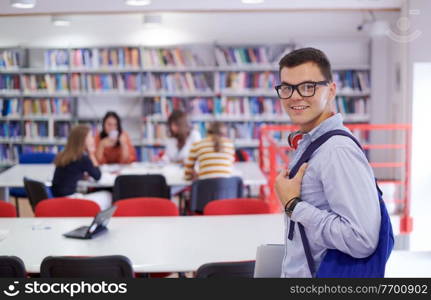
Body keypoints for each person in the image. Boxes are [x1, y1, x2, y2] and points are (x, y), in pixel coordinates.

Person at [274, 47, 380, 277]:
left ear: (331, 90)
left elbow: (362, 239)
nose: (294, 96)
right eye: (286, 88)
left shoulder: (336, 151)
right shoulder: (314, 142)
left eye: (307, 86)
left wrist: (294, 206)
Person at [51, 125, 112, 210]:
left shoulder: (64, 154)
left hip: (58, 199)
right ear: (83, 139)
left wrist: (81, 176)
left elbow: (71, 173)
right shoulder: (82, 157)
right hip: (69, 201)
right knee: (108, 195)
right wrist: (91, 154)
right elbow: (98, 176)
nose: (92, 139)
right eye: (90, 137)